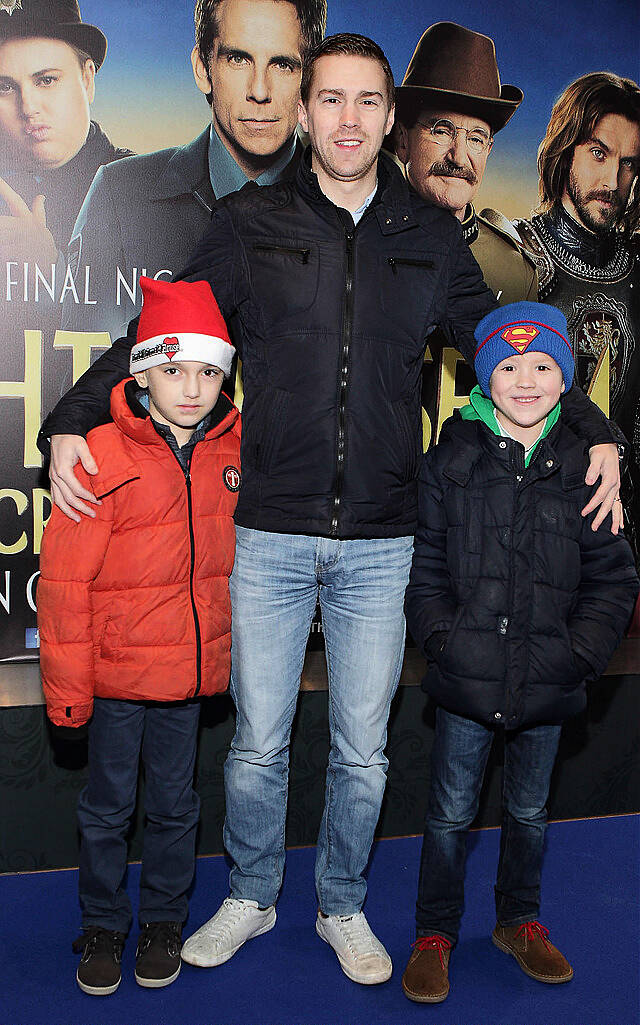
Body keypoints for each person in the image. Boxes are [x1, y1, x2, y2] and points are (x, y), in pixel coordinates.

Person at [38, 33, 620, 984]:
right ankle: (252, 895)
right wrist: (69, 417)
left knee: (361, 752)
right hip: (267, 532)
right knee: (259, 745)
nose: (348, 119)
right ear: (305, 113)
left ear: (389, 117)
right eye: (331, 100)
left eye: (366, 102)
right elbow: (158, 328)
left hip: (383, 543)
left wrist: (595, 425)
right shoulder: (247, 221)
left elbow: (512, 348)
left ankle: (342, 903)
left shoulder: (430, 237)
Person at [402, 301, 638, 1003]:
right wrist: (443, 640)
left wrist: (578, 656)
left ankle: (519, 921)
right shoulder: (450, 457)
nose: (526, 380)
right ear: (484, 376)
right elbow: (426, 571)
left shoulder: (586, 465)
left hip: (548, 677)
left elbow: (613, 578)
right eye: (509, 366)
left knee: (530, 812)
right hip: (467, 676)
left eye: (543, 366)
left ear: (564, 376)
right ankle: (433, 933)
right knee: (448, 815)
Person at [37, 276, 241, 996]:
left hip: (185, 678)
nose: (192, 388)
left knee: (177, 805)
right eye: (174, 369)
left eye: (209, 371)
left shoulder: (234, 448)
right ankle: (102, 924)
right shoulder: (99, 453)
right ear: (141, 369)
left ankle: (161, 920)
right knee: (108, 804)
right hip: (118, 677)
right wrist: (67, 696)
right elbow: (62, 587)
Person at [61, 0, 326, 342]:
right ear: (203, 68)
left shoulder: (349, 210)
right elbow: (81, 374)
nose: (260, 91)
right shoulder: (118, 194)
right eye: (238, 59)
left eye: (283, 65)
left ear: (312, 77)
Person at [514, 72, 640, 551]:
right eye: (598, 153)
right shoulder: (516, 258)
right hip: (525, 543)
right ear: (565, 149)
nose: (613, 181)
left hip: (621, 547)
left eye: (629, 163)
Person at [393, 22, 536, 307]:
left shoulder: (516, 273)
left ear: (489, 151)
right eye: (442, 130)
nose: (458, 158)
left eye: (476, 138)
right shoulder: (353, 244)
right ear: (402, 141)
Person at [0, 0, 132, 263]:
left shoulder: (140, 189)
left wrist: (51, 273)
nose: (28, 107)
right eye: (5, 87)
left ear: (87, 79)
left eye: (46, 80)